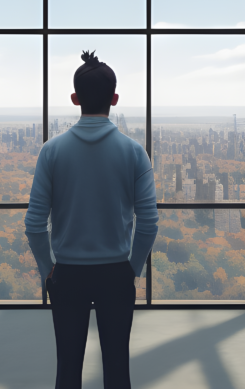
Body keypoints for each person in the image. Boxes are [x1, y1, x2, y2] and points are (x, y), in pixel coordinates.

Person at [25, 50, 158, 389]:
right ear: (115, 98)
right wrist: (133, 268)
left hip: (67, 274)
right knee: (117, 368)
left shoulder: (51, 151)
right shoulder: (133, 152)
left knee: (67, 367)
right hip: (116, 272)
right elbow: (149, 222)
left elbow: (34, 223)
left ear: (74, 99)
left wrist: (48, 269)